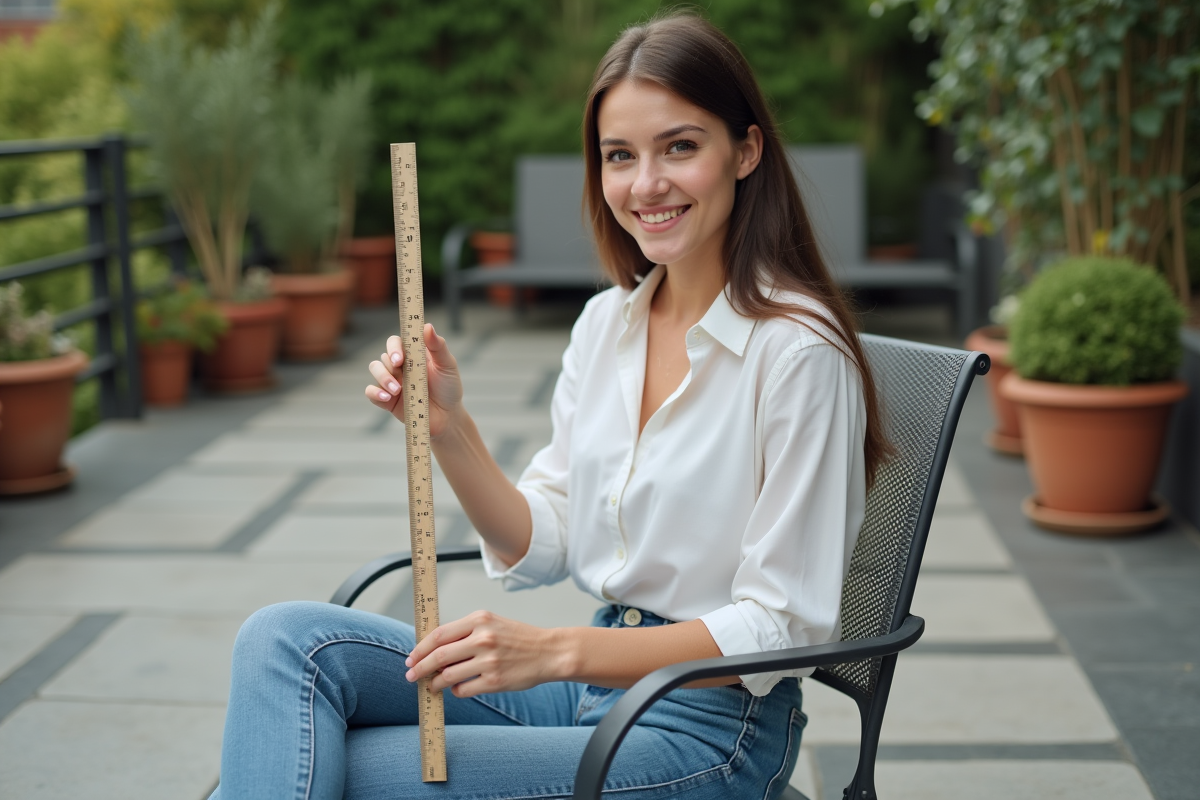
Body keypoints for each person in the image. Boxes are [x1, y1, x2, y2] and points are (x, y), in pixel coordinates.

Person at [208, 11, 889, 800]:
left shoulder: (798, 353)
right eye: (619, 155)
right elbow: (547, 536)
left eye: (680, 146)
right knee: (285, 643)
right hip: (592, 696)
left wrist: (554, 652)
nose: (646, 184)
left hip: (709, 733)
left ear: (746, 151)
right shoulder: (607, 324)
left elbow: (784, 626)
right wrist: (449, 428)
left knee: (340, 769)